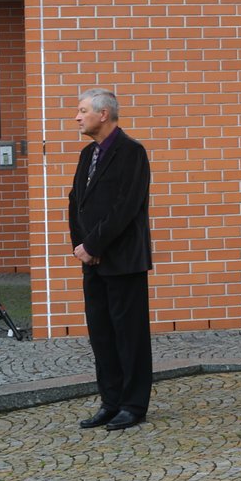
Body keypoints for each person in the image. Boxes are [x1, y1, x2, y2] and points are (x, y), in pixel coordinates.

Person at [69, 88, 154, 432]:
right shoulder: (87, 154)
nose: (77, 117)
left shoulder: (131, 152)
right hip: (92, 261)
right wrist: (81, 246)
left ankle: (133, 405)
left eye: (83, 110)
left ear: (103, 114)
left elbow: (125, 207)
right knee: (101, 334)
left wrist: (94, 244)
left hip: (123, 260)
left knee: (129, 335)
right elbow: (76, 202)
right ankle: (111, 401)